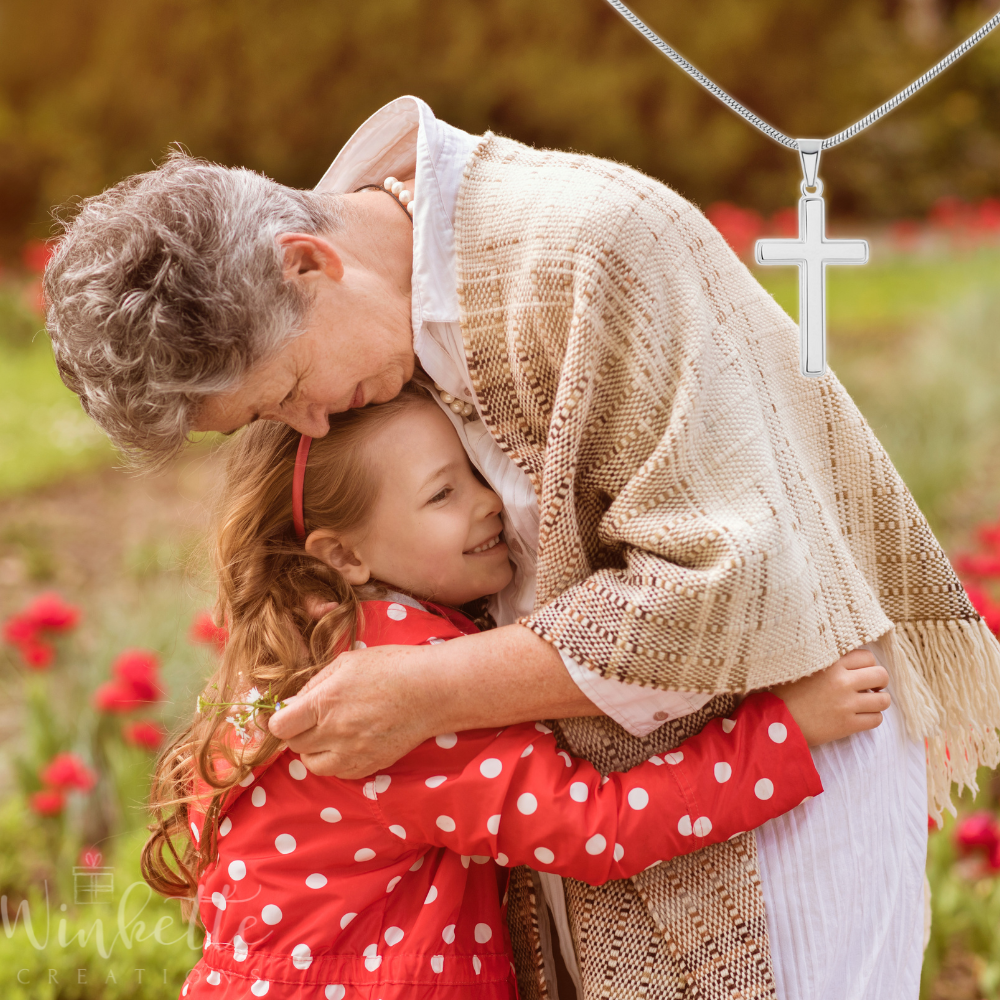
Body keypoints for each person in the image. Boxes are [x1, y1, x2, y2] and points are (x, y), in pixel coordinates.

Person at [44, 96, 1000, 999]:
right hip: (608, 820)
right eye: (267, 415)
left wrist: (426, 692)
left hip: (777, 775)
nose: (307, 423)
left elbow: (723, 588)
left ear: (308, 263)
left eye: (290, 387)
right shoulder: (378, 336)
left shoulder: (587, 253)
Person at [143, 382, 886, 999]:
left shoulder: (300, 645)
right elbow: (599, 827)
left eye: (474, 470)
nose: (488, 502)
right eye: (442, 494)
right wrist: (783, 731)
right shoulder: (397, 696)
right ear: (344, 554)